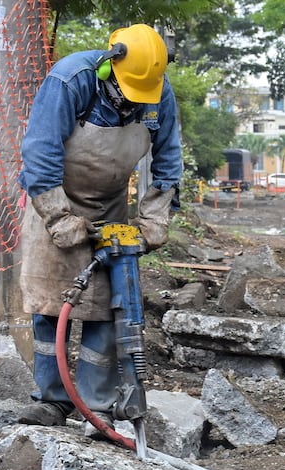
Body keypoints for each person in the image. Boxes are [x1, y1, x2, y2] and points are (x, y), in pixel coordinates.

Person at [16, 24, 183, 436]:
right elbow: (40, 153)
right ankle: (51, 401)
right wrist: (58, 218)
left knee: (107, 309)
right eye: (128, 92)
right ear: (111, 66)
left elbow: (168, 157)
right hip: (53, 198)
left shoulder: (157, 92)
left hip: (110, 206)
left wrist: (154, 219)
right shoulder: (70, 81)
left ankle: (98, 408)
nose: (132, 102)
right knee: (49, 307)